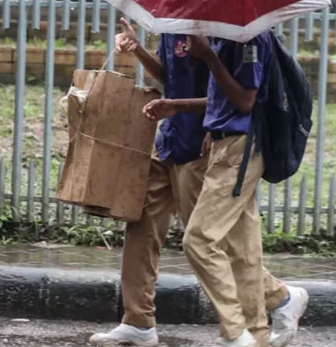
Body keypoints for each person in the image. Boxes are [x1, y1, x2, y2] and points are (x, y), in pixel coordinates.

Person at [88, 21, 308, 347]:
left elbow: (232, 95)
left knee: (206, 240)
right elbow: (170, 79)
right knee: (141, 226)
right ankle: (138, 321)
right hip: (169, 140)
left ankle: (278, 299)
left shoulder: (221, 31)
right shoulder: (172, 27)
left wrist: (205, 119)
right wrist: (139, 50)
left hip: (202, 146)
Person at [180, 30, 308, 347]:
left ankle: (235, 332)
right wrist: (214, 121)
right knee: (244, 249)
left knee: (199, 239)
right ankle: (259, 333)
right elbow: (227, 99)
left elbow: (246, 99)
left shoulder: (248, 38)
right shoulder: (225, 37)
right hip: (228, 144)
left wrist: (207, 55)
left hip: (241, 150)